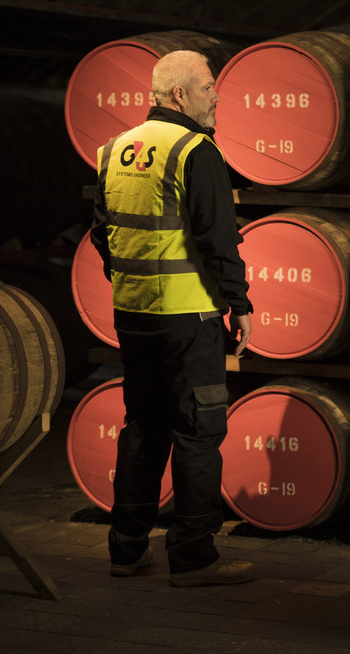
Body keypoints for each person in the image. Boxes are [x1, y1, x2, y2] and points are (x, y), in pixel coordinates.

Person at [90, 49, 255, 587]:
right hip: (189, 319)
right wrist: (240, 303)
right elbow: (218, 239)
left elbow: (101, 233)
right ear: (180, 94)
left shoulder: (114, 149)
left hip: (132, 314)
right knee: (198, 432)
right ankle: (193, 556)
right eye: (209, 87)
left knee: (142, 427)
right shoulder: (194, 150)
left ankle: (126, 548)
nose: (216, 97)